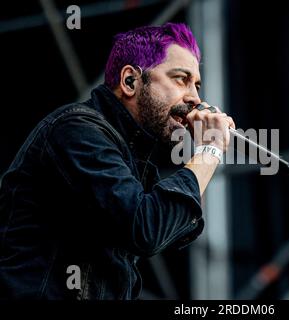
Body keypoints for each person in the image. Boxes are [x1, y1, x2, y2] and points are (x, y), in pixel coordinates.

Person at [0, 22, 235, 300]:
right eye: (180, 79)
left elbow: (171, 226)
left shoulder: (133, 153)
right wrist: (210, 149)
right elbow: (146, 228)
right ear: (130, 81)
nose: (195, 99)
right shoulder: (76, 129)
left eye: (196, 85)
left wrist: (203, 152)